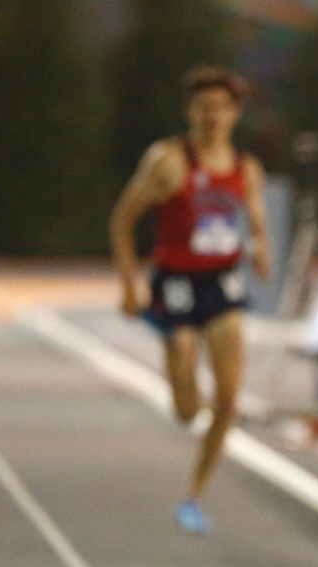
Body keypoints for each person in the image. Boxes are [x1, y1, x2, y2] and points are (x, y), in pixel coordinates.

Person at [110, 66, 270, 534]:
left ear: (235, 114)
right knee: (187, 407)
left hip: (221, 282)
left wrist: (262, 248)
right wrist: (128, 284)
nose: (212, 117)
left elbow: (256, 217)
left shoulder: (246, 167)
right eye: (203, 108)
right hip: (176, 280)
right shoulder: (169, 160)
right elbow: (122, 221)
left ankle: (194, 494)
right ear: (189, 113)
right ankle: (179, 375)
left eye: (221, 108)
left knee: (228, 397)